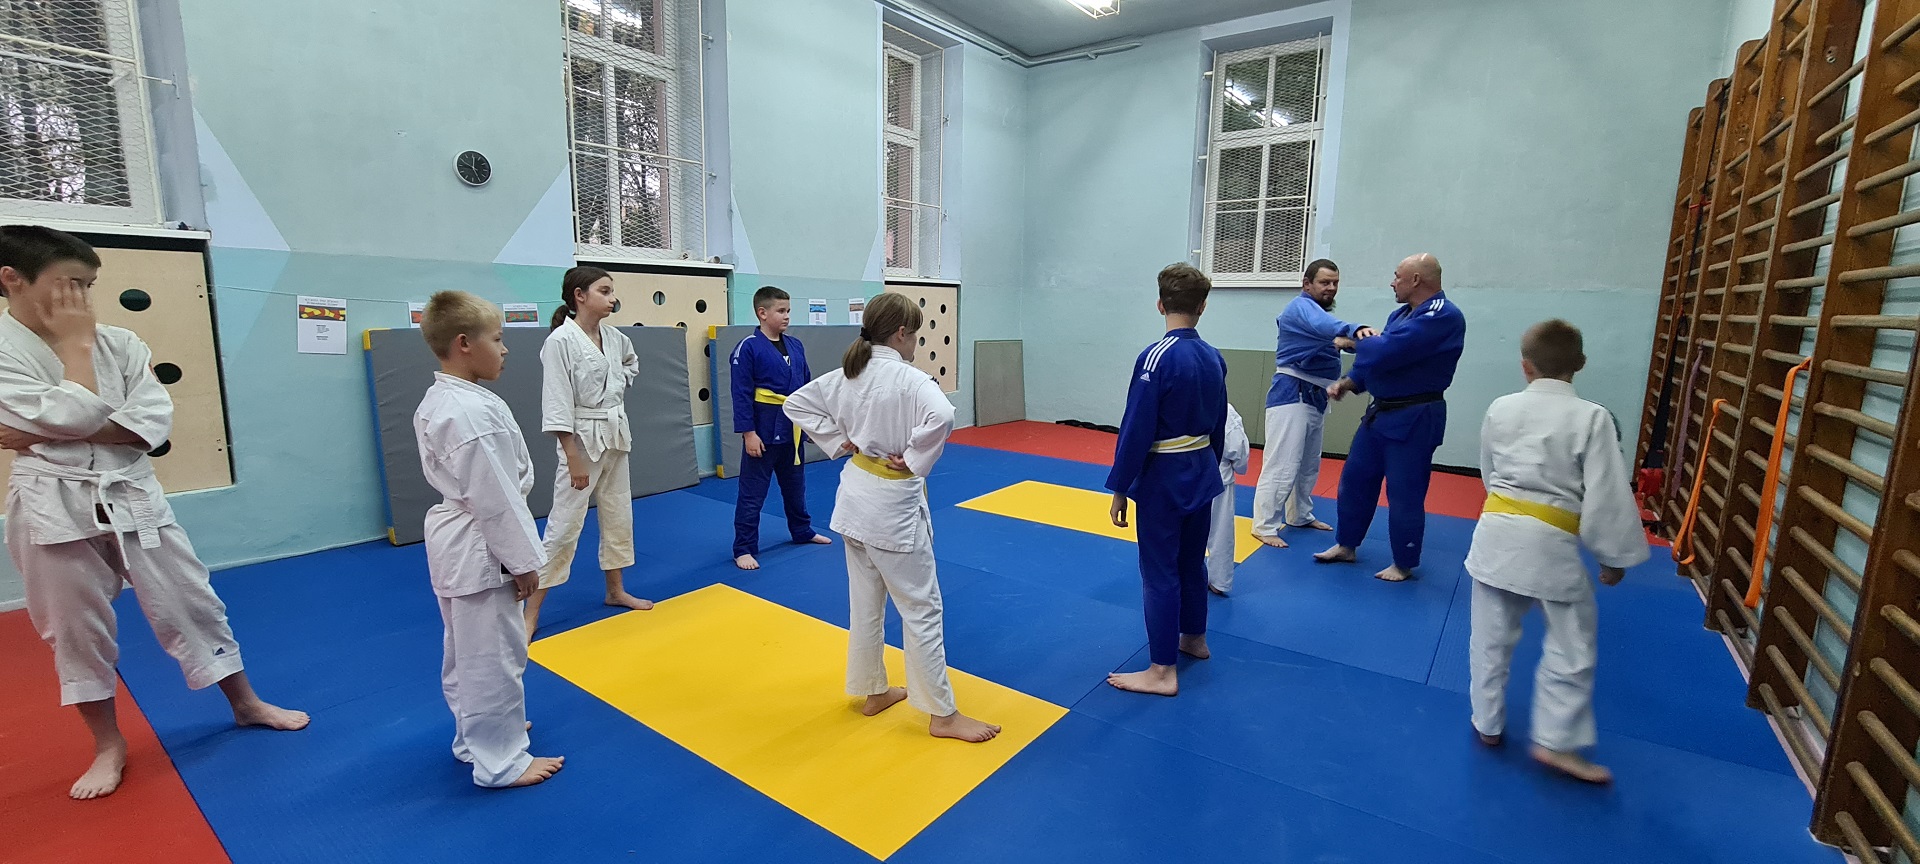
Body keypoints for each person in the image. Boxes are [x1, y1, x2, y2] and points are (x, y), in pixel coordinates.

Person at [0, 225, 307, 800]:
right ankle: (107, 744)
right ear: (12, 279)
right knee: (73, 626)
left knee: (192, 600)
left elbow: (149, 427)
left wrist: (38, 431)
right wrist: (75, 354)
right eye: (68, 284)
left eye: (88, 285)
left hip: (131, 490)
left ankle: (245, 703)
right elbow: (74, 418)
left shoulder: (122, 343)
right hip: (51, 501)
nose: (81, 300)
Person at [782, 292, 1000, 742]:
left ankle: (873, 691)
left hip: (854, 497)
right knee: (922, 609)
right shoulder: (910, 380)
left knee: (866, 604)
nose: (916, 342)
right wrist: (914, 458)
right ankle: (942, 715)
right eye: (915, 334)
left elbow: (795, 404)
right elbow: (943, 415)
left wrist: (838, 440)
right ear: (901, 333)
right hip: (890, 510)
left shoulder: (848, 373)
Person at [1467, 319, 1647, 784]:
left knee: (1489, 637)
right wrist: (1612, 557)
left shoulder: (1501, 407)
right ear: (1581, 364)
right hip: (1550, 541)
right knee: (1572, 644)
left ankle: (1487, 722)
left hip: (1495, 532)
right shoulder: (1592, 417)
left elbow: (1488, 470)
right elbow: (1606, 492)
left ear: (1524, 366)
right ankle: (1556, 740)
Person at [414, 290, 564, 788]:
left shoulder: (447, 398)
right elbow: (495, 498)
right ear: (464, 343)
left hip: (461, 541)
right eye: (496, 340)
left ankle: (474, 736)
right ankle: (501, 761)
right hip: (481, 545)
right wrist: (523, 562)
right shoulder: (468, 413)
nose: (504, 349)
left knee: (466, 650)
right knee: (494, 656)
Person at [1105, 263, 1229, 697]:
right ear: (1202, 307)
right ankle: (1194, 638)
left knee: (1159, 571)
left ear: (1160, 304)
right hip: (1201, 470)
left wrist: (1121, 486)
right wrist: (1209, 468)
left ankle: (1161, 671)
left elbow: (1136, 427)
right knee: (1191, 562)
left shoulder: (1155, 357)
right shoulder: (1214, 357)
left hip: (1164, 477)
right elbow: (1219, 423)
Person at [1316, 253, 1466, 582]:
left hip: (1416, 415)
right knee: (1355, 480)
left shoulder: (1443, 315)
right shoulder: (1401, 314)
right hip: (1380, 413)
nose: (1392, 282)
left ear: (1416, 280)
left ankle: (1403, 562)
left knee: (1404, 491)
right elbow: (1382, 361)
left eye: (1397, 276)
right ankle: (1347, 544)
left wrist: (1351, 341)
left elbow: (1388, 349)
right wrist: (1349, 383)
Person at [523, 266, 650, 639]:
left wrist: (617, 384)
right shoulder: (560, 341)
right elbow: (557, 400)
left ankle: (615, 590)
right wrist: (571, 454)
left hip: (615, 432)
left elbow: (630, 364)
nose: (612, 298)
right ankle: (531, 612)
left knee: (618, 513)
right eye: (604, 291)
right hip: (581, 439)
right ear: (579, 295)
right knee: (564, 524)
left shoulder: (614, 337)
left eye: (612, 291)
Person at [1251, 260, 1374, 548]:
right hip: (1291, 394)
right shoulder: (1300, 308)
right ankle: (1264, 525)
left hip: (1315, 397)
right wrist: (1356, 329)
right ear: (1307, 284)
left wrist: (1357, 343)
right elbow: (1326, 327)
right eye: (1324, 282)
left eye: (1335, 283)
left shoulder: (1316, 315)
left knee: (1308, 464)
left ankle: (1299, 515)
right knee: (1282, 464)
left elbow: (1330, 336)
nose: (1331, 288)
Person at [732, 286, 834, 570]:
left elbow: (807, 390)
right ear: (762, 313)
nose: (787, 316)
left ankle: (802, 530)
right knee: (753, 494)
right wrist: (748, 433)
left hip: (793, 430)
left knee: (795, 488)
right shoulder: (747, 347)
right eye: (781, 311)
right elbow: (740, 394)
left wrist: (812, 425)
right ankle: (743, 548)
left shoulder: (796, 346)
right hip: (763, 433)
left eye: (788, 310)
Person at [1206, 403, 1249, 596]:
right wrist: (1239, 466)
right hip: (1217, 477)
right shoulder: (1224, 408)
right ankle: (1219, 580)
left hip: (1175, 475)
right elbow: (1239, 454)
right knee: (1220, 532)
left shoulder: (1172, 400)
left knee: (1179, 533)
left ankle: (1178, 576)